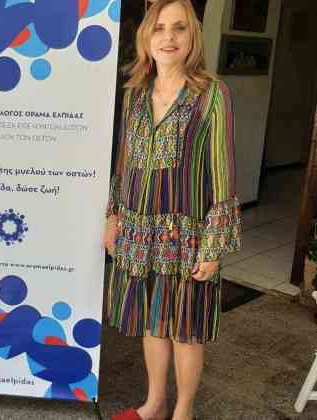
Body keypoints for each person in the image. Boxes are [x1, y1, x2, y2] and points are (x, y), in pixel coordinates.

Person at [103, 1, 241, 419]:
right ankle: (155, 403)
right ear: (146, 37)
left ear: (192, 37)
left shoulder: (211, 95)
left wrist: (213, 246)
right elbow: (123, 162)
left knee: (185, 329)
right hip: (138, 231)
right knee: (152, 321)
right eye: (159, 28)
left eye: (179, 28)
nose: (168, 37)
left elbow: (223, 173)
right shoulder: (134, 94)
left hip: (188, 235)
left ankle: (183, 410)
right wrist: (113, 217)